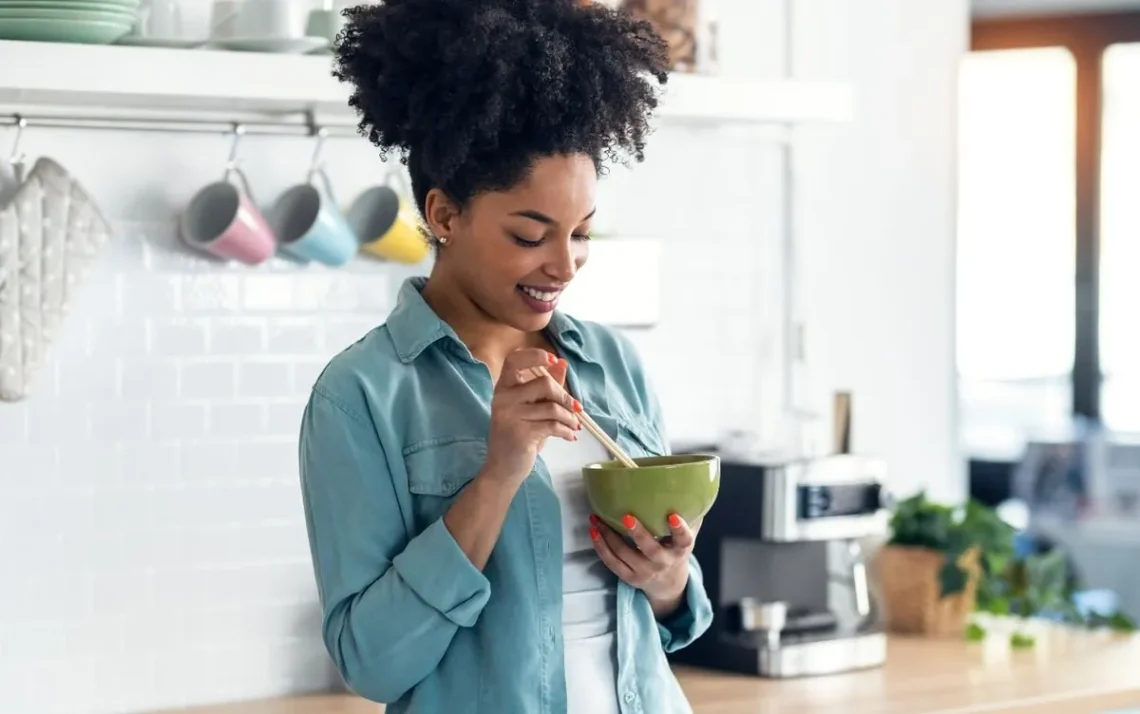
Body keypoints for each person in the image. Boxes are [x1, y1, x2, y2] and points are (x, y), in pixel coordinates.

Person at [297, 1, 713, 712]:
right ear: (444, 215)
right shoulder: (361, 395)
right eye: (530, 235)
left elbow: (672, 622)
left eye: (581, 233)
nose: (565, 264)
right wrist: (499, 474)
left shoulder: (612, 361)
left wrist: (668, 578)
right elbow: (371, 663)